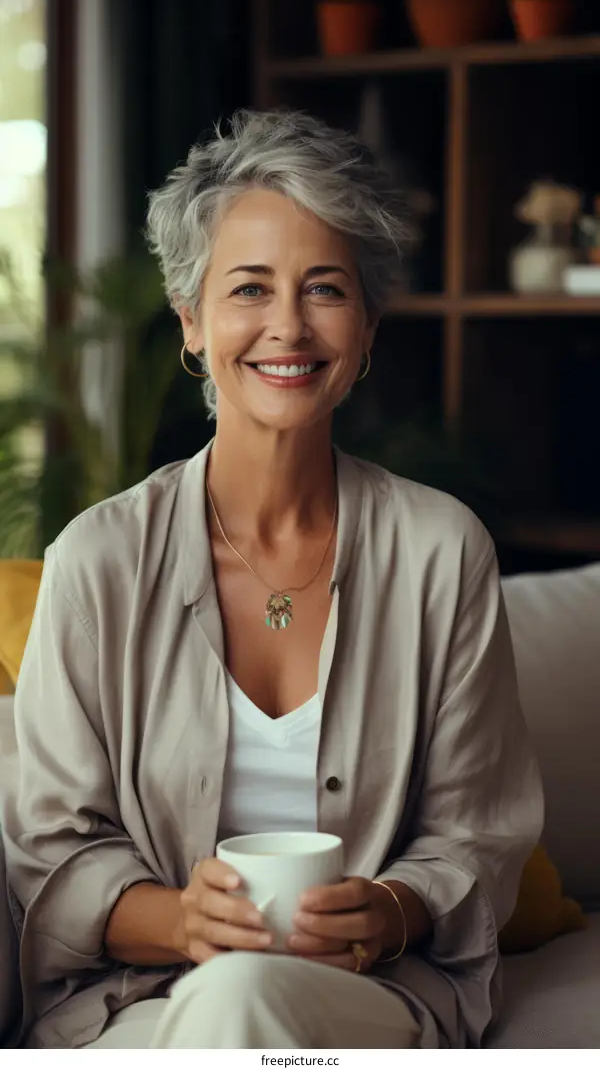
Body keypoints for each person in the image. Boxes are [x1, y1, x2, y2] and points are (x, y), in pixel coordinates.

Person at [1, 110, 543, 1050]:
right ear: (193, 320)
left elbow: (476, 835)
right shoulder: (95, 561)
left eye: (324, 289)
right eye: (249, 288)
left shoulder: (442, 552)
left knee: (242, 1003)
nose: (287, 325)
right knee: (226, 1002)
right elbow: (49, 853)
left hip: (367, 999)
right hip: (144, 1002)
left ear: (366, 326)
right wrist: (179, 920)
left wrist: (391, 908)